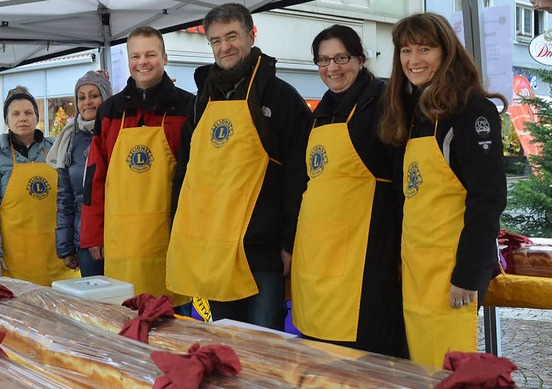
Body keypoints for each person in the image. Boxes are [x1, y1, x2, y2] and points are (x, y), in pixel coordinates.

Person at [167, 3, 312, 330]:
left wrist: (290, 243)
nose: (224, 47)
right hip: (211, 249)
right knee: (222, 346)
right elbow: (185, 174)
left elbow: (298, 179)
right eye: (216, 40)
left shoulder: (282, 98)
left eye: (232, 36)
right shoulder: (200, 100)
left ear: (251, 35)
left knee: (264, 348)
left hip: (261, 251)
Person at [378, 13, 507, 367]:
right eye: (405, 50)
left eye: (424, 48)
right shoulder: (414, 111)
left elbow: (488, 198)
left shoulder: (471, 109)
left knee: (450, 370)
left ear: (446, 52)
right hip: (417, 267)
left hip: (452, 270)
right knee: (422, 367)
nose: (413, 60)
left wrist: (468, 273)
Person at [290, 25, 407, 358]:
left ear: (359, 58)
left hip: (368, 255)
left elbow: (402, 181)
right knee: (321, 357)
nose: (332, 68)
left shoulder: (384, 102)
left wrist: (401, 250)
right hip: (317, 256)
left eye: (341, 58)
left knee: (366, 358)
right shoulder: (320, 113)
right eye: (324, 60)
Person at [81, 27, 194, 312]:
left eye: (150, 54)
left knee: (173, 325)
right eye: (136, 56)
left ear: (165, 58)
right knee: (125, 323)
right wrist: (93, 234)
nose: (142, 62)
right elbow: (95, 176)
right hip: (121, 242)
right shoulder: (110, 111)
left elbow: (195, 178)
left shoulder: (188, 106)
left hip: (171, 238)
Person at [0, 86, 79, 286]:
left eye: (28, 112)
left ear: (37, 117)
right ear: (7, 120)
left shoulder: (57, 149)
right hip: (14, 265)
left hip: (60, 261)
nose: (23, 118)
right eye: (16, 113)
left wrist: (75, 245)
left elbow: (73, 202)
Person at [48, 70, 112, 277]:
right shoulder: (70, 140)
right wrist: (66, 247)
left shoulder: (118, 133)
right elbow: (65, 198)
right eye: (81, 97)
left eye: (94, 95)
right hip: (84, 239)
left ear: (106, 97)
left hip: (119, 235)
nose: (87, 102)